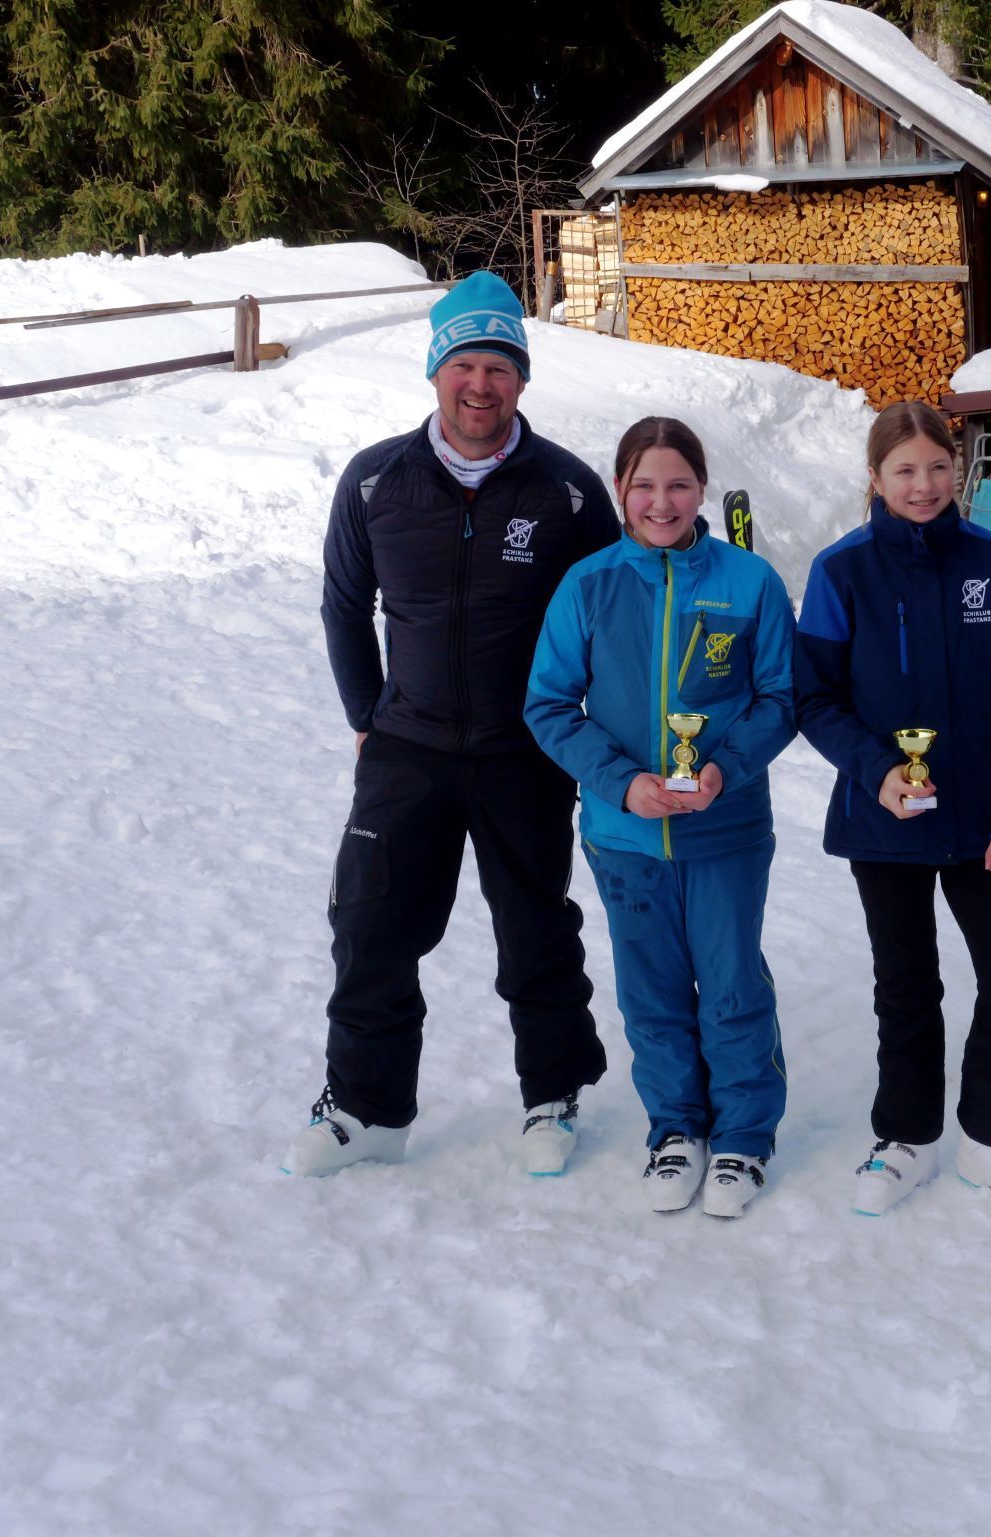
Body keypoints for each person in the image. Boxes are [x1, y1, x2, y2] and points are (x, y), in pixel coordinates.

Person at [285, 271, 617, 1178]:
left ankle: (553, 1093)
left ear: (522, 379)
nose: (481, 384)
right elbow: (344, 607)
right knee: (371, 926)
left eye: (500, 367)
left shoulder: (569, 492)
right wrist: (366, 716)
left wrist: (585, 731)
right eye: (465, 364)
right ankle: (365, 1108)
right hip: (408, 749)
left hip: (525, 752)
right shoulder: (375, 481)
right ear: (436, 371)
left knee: (536, 929)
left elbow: (611, 616)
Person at [524, 417, 795, 1218]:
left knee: (732, 984)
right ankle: (676, 1126)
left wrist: (726, 767)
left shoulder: (749, 582)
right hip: (625, 835)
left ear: (702, 489)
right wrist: (621, 784)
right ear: (620, 490)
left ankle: (743, 1134)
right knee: (652, 992)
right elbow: (548, 704)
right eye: (643, 485)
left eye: (678, 483)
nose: (661, 501)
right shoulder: (589, 584)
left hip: (725, 829)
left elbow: (781, 698)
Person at [794, 402, 991, 1221]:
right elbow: (815, 699)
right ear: (875, 477)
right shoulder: (841, 571)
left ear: (959, 469)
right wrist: (877, 772)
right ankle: (906, 1135)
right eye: (904, 469)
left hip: (982, 820)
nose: (924, 484)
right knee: (906, 984)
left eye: (939, 466)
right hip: (886, 820)